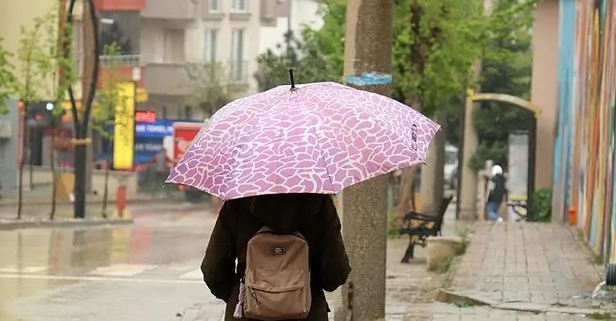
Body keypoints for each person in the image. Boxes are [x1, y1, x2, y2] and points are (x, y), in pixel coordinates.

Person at [202, 193, 351, 321]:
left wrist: (242, 293)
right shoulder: (321, 204)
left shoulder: (237, 202)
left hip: (247, 315)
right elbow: (336, 273)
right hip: (308, 313)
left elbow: (213, 271)